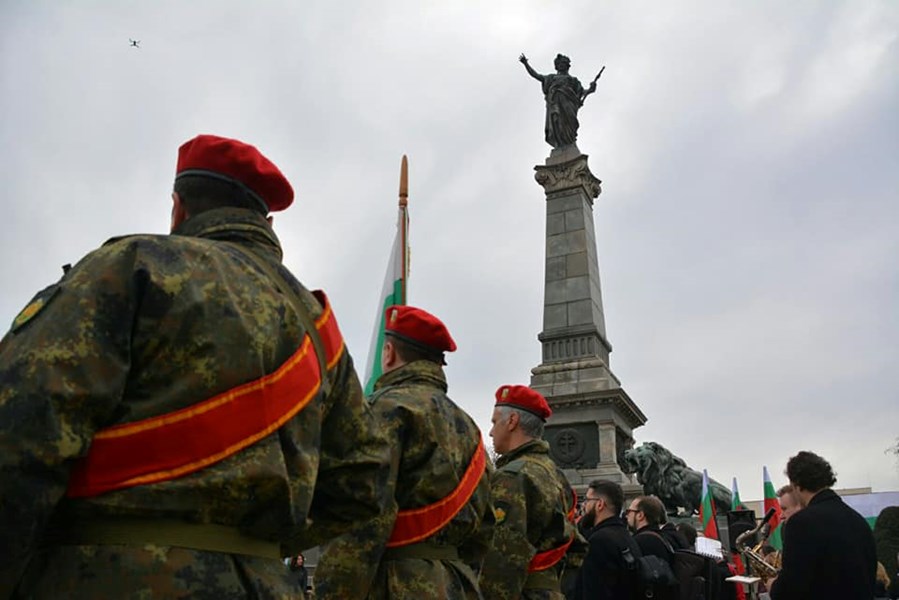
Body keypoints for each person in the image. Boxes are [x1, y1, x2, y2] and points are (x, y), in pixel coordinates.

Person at [0, 134, 391, 598]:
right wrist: (259, 546)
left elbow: (22, 423)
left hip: (109, 578)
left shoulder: (133, 267)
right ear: (266, 223)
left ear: (178, 208)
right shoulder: (318, 327)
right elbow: (363, 481)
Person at [315, 305, 494, 599]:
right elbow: (484, 527)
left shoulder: (385, 409)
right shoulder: (469, 427)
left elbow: (360, 517)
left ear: (388, 353)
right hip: (457, 584)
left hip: (393, 583)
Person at [480, 385, 579, 599]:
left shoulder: (513, 477)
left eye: (495, 422)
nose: (491, 431)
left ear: (512, 421)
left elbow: (502, 556)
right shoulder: (555, 475)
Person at [770, 451, 877, 600]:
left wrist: (773, 586)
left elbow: (791, 588)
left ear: (797, 485)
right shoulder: (858, 520)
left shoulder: (801, 523)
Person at [573, 480, 642, 600]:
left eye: (587, 500)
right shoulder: (625, 536)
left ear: (600, 504)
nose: (584, 505)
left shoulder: (599, 541)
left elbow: (594, 592)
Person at [519, 53, 601, 149]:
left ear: (567, 66)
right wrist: (526, 64)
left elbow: (582, 92)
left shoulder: (573, 80)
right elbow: (536, 75)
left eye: (563, 63)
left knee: (569, 124)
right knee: (557, 123)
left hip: (568, 105)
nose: (561, 65)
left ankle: (569, 143)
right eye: (559, 64)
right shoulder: (551, 78)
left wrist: (591, 89)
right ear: (556, 66)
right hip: (555, 105)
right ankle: (560, 144)